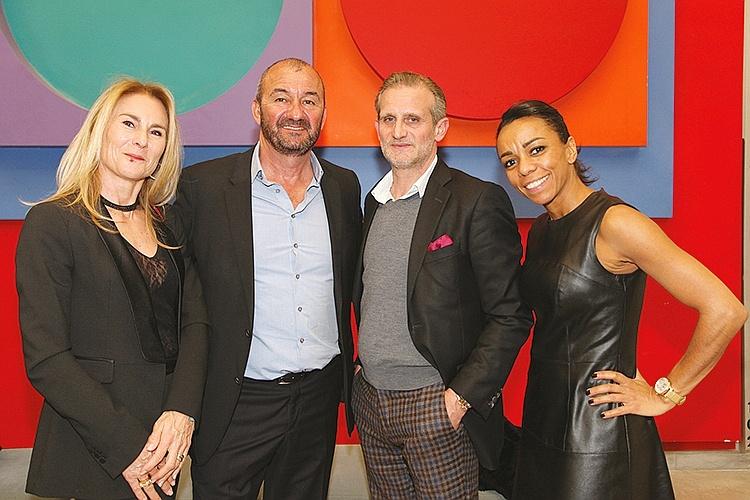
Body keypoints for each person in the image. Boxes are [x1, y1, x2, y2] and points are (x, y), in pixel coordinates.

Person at [495, 99, 747, 499]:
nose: (524, 168)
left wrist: (666, 393)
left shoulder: (616, 223)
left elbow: (725, 309)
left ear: (570, 149)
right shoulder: (542, 230)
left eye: (536, 149)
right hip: (543, 417)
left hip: (599, 429)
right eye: (510, 161)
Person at [170, 58, 362, 499]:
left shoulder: (343, 187)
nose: (296, 112)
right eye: (281, 98)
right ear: (256, 109)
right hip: (235, 401)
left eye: (309, 100)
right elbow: (174, 295)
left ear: (324, 114)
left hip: (317, 400)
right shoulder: (202, 187)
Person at [15, 78, 209, 499]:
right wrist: (130, 448)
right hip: (92, 451)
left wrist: (181, 412)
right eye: (129, 123)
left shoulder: (170, 228)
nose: (141, 140)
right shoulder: (53, 223)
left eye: (156, 131)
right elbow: (46, 358)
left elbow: (196, 324)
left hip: (164, 445)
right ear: (100, 129)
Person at [352, 71, 532, 499]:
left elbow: (510, 315)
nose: (398, 131)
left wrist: (459, 399)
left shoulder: (476, 200)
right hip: (371, 403)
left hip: (436, 405)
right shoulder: (373, 203)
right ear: (377, 126)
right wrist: (361, 369)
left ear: (440, 128)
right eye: (389, 119)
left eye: (412, 119)